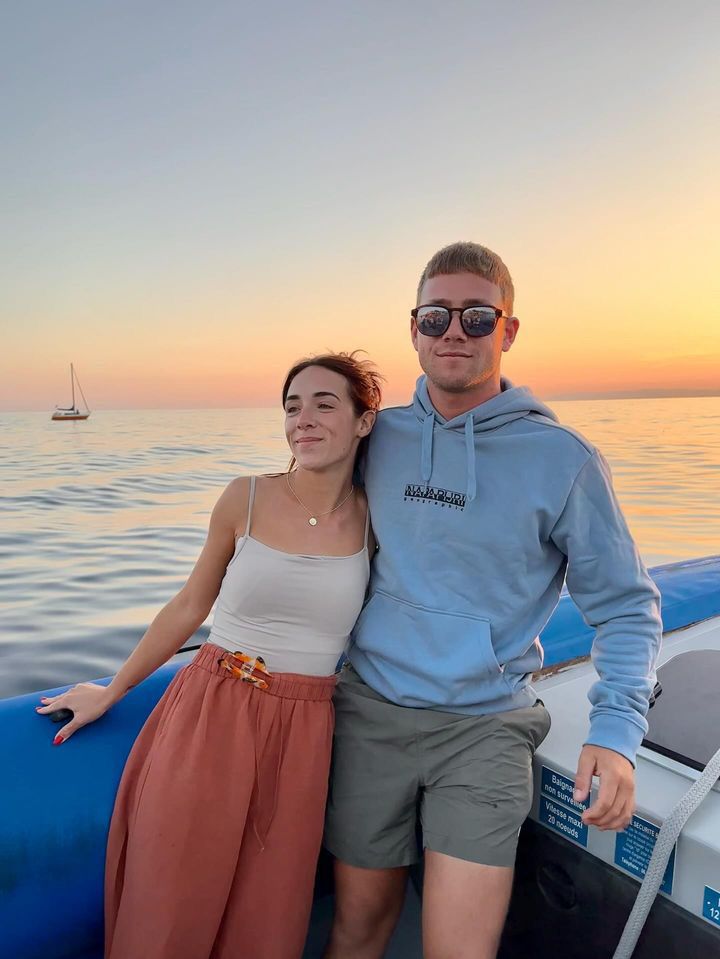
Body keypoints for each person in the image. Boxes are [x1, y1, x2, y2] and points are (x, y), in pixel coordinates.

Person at [323, 242, 662, 959]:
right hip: (370, 713)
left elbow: (627, 607)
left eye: (477, 317)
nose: (454, 331)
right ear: (413, 328)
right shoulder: (375, 437)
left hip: (485, 728)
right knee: (356, 930)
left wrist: (615, 733)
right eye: (436, 316)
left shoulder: (564, 459)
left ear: (507, 331)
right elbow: (299, 534)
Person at [36, 352, 382, 959]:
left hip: (305, 730)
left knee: (267, 913)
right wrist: (112, 690)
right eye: (292, 406)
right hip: (211, 711)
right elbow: (189, 605)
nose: (303, 418)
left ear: (363, 421)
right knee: (171, 900)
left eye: (324, 404)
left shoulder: (377, 519)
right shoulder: (244, 497)